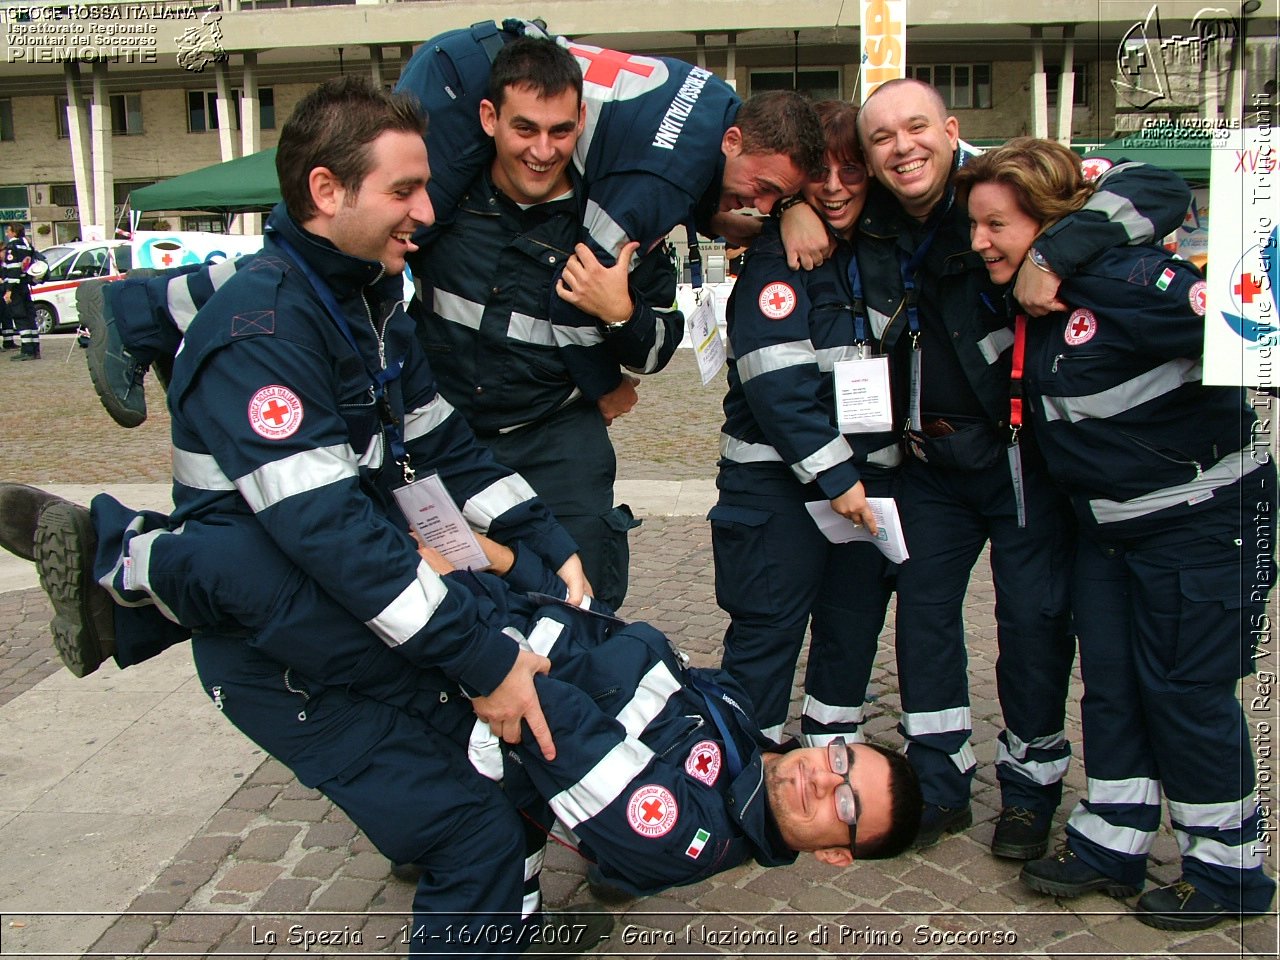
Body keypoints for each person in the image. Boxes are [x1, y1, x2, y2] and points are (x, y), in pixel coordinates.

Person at [0, 483, 924, 906]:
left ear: (834, 857)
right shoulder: (738, 726)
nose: (821, 777)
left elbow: (571, 742)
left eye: (844, 804)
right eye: (846, 759)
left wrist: (466, 615)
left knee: (291, 577)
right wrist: (496, 564)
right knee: (331, 530)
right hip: (488, 628)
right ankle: (125, 621)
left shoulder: (691, 832)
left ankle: (119, 553)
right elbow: (610, 642)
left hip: (467, 685)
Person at [780, 77, 1193, 858]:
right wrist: (792, 206)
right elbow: (790, 194)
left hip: (1020, 462)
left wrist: (1059, 249)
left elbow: (1157, 184)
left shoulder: (1001, 181)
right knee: (926, 619)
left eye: (916, 129)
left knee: (1032, 624)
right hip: (930, 464)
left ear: (952, 129)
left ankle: (1031, 788)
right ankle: (940, 783)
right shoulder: (870, 209)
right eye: (882, 139)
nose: (901, 149)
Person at [83, 21, 824, 432]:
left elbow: (694, 170)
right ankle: (139, 307)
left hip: (480, 64)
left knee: (369, 242)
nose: (755, 205)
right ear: (735, 144)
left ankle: (180, 316)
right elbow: (574, 282)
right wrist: (604, 384)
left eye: (771, 198)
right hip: (469, 81)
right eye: (760, 191)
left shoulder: (723, 104)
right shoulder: (660, 184)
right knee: (354, 235)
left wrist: (787, 205)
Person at [957, 137, 1275, 930]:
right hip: (1111, 534)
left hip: (1202, 527)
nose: (979, 242)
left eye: (997, 225)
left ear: (1049, 225)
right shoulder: (1025, 299)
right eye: (975, 226)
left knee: (1187, 694)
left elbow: (1249, 322)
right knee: (1114, 689)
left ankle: (1230, 870)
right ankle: (1113, 838)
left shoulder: (1132, 283)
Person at [412, 37, 685, 610]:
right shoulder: (440, 202)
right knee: (448, 608)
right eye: (525, 129)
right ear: (489, 118)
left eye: (561, 130)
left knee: (581, 609)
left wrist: (622, 314)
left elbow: (659, 349)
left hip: (559, 446)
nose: (543, 149)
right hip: (445, 443)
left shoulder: (615, 221)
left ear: (582, 119)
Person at [711, 100, 898, 748]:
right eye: (824, 173)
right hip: (777, 490)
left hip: (863, 486)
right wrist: (838, 476)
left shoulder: (878, 252)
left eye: (855, 170)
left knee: (851, 629)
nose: (839, 186)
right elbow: (776, 383)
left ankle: (830, 753)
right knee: (766, 632)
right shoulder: (777, 259)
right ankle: (747, 771)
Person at [2, 224, 39, 361]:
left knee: (20, 317)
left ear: (13, 232)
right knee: (30, 316)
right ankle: (35, 348)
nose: (7, 232)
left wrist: (9, 290)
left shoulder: (12, 247)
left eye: (8, 230)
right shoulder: (27, 246)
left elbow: (12, 269)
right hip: (25, 285)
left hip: (16, 287)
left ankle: (27, 350)